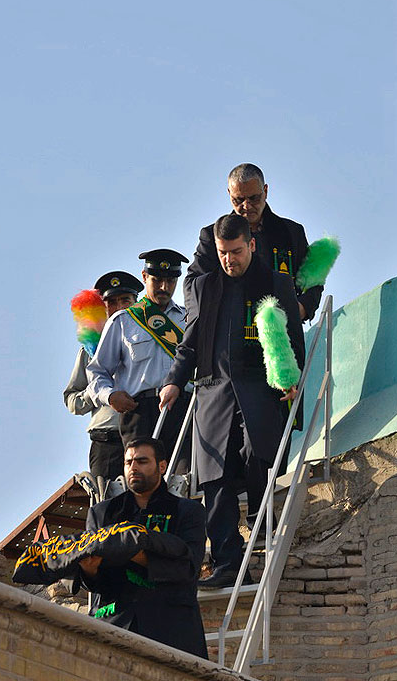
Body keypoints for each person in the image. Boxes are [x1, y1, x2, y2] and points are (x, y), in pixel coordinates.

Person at [160, 214, 305, 588]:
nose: (229, 260)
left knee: (258, 453)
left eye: (236, 251)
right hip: (213, 391)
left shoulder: (276, 283)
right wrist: (174, 381)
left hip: (261, 388)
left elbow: (293, 338)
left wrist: (294, 381)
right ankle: (226, 563)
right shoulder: (204, 287)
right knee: (215, 480)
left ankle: (260, 519)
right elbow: (190, 341)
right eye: (223, 253)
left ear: (251, 245)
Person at [79, 438, 207, 657]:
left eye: (142, 461)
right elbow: (94, 582)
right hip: (112, 628)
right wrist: (88, 570)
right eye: (128, 462)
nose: (133, 468)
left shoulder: (188, 511)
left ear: (162, 466)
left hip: (171, 632)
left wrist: (137, 555)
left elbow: (189, 568)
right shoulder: (102, 513)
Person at [183, 162, 322, 322]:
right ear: (229, 194)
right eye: (238, 200)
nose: (246, 206)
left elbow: (313, 280)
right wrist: (200, 320)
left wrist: (302, 308)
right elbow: (192, 283)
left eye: (253, 198)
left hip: (280, 330)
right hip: (230, 329)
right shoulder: (212, 236)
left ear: (265, 191)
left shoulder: (291, 232)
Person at [86, 250, 191, 454]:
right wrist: (110, 396)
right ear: (144, 277)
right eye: (157, 280)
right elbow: (97, 371)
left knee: (184, 473)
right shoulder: (123, 321)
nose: (164, 287)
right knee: (141, 473)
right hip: (140, 412)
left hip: (183, 408)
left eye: (170, 281)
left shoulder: (189, 319)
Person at [63, 271, 144, 482]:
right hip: (108, 440)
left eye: (125, 300)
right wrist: (99, 392)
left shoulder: (152, 342)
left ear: (137, 303)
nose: (119, 308)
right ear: (103, 308)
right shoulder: (90, 350)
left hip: (146, 434)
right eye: (112, 302)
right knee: (109, 500)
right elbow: (71, 400)